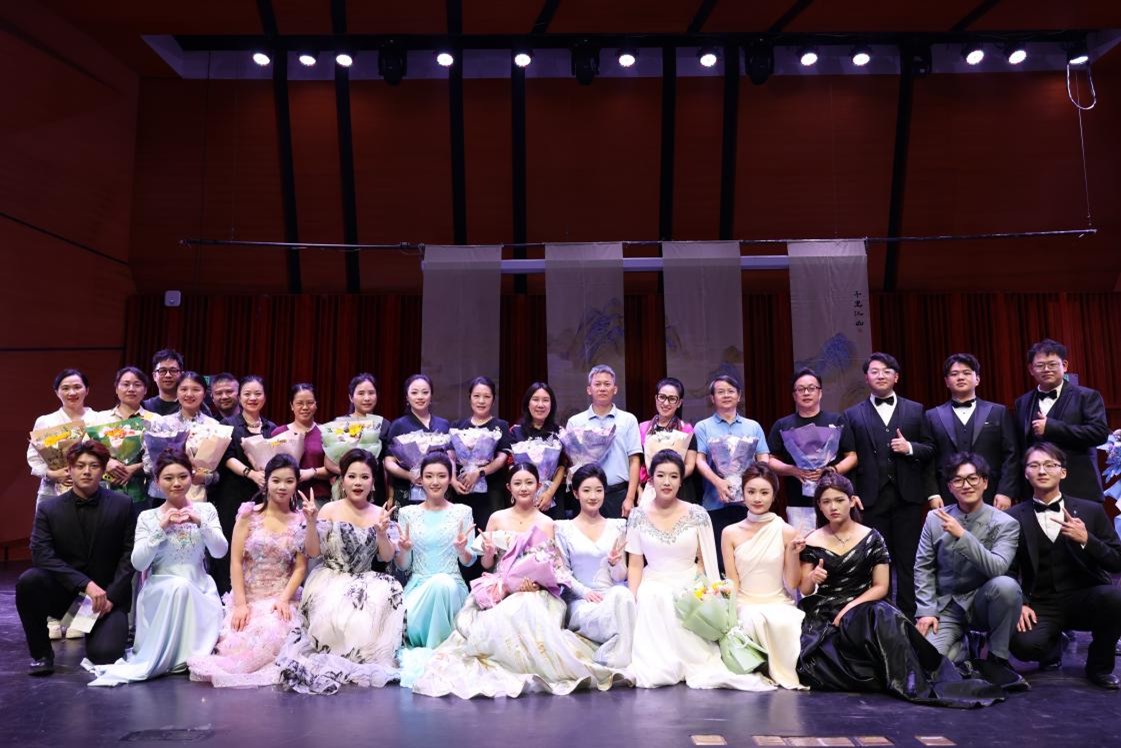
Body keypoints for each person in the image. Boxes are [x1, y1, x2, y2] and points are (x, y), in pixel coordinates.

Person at [411, 463, 627, 698]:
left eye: (529, 483)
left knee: (529, 608)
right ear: (509, 488)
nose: (524, 488)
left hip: (537, 591)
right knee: (506, 613)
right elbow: (487, 564)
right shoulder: (497, 518)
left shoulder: (548, 523)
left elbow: (555, 567)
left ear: (538, 485)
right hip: (502, 588)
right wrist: (490, 553)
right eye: (518, 483)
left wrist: (537, 584)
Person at [796, 473, 1004, 707]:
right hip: (827, 612)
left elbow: (881, 586)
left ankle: (912, 680)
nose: (833, 507)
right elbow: (805, 589)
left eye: (839, 500)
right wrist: (812, 577)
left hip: (863, 605)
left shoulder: (872, 537)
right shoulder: (812, 539)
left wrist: (850, 607)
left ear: (852, 501)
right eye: (826, 502)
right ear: (819, 506)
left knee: (884, 614)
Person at [627, 450, 774, 691]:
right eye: (661, 475)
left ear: (681, 480)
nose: (667, 482)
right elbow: (635, 564)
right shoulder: (637, 516)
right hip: (653, 580)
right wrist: (632, 598)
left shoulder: (697, 513)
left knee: (682, 597)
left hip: (690, 580)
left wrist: (709, 593)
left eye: (673, 476)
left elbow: (706, 561)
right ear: (651, 480)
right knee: (654, 596)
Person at [87, 450, 228, 686]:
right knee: (179, 587)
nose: (176, 483)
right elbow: (139, 563)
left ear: (192, 477)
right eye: (168, 478)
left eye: (182, 476)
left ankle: (189, 656)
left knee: (184, 587)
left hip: (201, 587)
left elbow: (220, 551)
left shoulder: (206, 510)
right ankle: (174, 657)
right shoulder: (148, 517)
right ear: (156, 481)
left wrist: (199, 522)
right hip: (161, 588)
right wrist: (160, 528)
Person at [276, 448, 404, 694]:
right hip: (331, 578)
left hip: (366, 581)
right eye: (352, 476)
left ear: (373, 482)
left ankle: (362, 658)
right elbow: (313, 551)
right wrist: (311, 522)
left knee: (381, 601)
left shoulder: (379, 513)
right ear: (342, 480)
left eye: (364, 477)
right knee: (334, 619)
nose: (358, 483)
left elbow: (387, 557)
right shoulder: (329, 510)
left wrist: (381, 534)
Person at [1007, 442, 1121, 689]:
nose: (1042, 471)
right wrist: (1020, 603)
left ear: (1063, 472)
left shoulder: (1091, 511)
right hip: (1041, 601)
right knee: (1023, 646)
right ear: (1026, 473)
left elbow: (1116, 561)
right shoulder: (1013, 516)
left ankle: (1099, 668)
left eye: (1050, 465)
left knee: (1115, 599)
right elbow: (1008, 568)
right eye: (1034, 465)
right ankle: (1052, 643)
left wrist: (1087, 539)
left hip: (1085, 596)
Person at [188, 455, 307, 688]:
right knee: (242, 638)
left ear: (296, 483)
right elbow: (235, 562)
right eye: (276, 480)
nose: (282, 487)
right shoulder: (248, 514)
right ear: (266, 482)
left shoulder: (301, 520)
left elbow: (300, 567)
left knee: (273, 630)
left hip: (281, 598)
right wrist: (241, 604)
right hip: (249, 596)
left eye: (289, 481)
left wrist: (283, 600)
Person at [17, 442, 134, 676]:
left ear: (103, 470)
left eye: (94, 466)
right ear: (69, 469)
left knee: (105, 656)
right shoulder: (49, 508)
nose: (86, 471)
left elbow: (129, 555)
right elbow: (41, 554)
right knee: (29, 581)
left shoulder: (123, 504)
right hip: (67, 596)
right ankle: (41, 655)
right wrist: (85, 584)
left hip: (106, 600)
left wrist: (111, 596)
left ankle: (96, 632)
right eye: (80, 466)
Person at [914, 453, 1027, 691]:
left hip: (983, 602)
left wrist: (962, 535)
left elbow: (997, 567)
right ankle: (965, 646)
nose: (966, 485)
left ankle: (997, 657)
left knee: (1007, 586)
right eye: (958, 480)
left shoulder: (1005, 523)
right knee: (929, 664)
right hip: (948, 606)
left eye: (973, 478)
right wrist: (926, 611)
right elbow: (923, 566)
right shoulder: (934, 519)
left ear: (985, 482)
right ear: (949, 487)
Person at [842, 353, 934, 620]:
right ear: (866, 378)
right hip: (870, 498)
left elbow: (930, 449)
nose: (880, 375)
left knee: (908, 559)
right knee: (876, 560)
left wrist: (910, 447)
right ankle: (880, 617)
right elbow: (850, 457)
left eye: (886, 371)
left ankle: (910, 615)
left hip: (908, 496)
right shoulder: (852, 414)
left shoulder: (915, 409)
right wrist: (852, 494)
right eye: (874, 371)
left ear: (896, 377)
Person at [720, 464, 806, 690]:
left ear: (774, 495)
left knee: (786, 621)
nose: (757, 498)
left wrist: (793, 554)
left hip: (778, 601)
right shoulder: (730, 533)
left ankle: (783, 671)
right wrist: (728, 611)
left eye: (764, 492)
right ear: (743, 493)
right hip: (745, 602)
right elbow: (732, 580)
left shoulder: (786, 530)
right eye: (751, 492)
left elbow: (793, 582)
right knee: (754, 619)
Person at [395, 453, 475, 683]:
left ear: (450, 478)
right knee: (436, 585)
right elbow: (403, 565)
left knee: (442, 584)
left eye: (441, 476)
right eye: (429, 476)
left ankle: (438, 655)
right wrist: (404, 550)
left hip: (453, 588)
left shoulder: (462, 512)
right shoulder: (407, 513)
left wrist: (462, 550)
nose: (435, 481)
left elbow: (469, 561)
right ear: (420, 479)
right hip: (417, 588)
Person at [555, 464, 634, 668]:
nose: (593, 496)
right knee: (616, 612)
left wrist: (614, 563)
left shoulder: (618, 526)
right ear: (575, 493)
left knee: (623, 595)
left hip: (611, 595)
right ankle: (618, 657)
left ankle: (618, 656)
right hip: (581, 601)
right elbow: (562, 572)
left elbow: (620, 576)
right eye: (587, 490)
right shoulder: (563, 528)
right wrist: (585, 592)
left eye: (598, 490)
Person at [693, 374, 771, 572]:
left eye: (730, 391)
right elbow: (699, 460)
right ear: (712, 398)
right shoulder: (703, 427)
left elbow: (763, 458)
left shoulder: (753, 426)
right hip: (714, 502)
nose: (726, 395)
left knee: (748, 558)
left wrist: (752, 484)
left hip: (749, 503)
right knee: (719, 560)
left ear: (739, 396)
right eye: (720, 392)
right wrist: (718, 482)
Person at [1014, 339, 1109, 502]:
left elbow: (1099, 433)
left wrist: (1051, 427)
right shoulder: (1022, 402)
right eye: (1040, 365)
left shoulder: (1087, 396)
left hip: (1080, 488)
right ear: (1031, 369)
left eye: (1052, 364)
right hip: (1034, 492)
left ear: (1064, 365)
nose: (1046, 369)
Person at [209, 375, 277, 595]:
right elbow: (226, 457)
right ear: (240, 397)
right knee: (232, 548)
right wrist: (251, 474)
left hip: (264, 497)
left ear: (264, 397)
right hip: (232, 495)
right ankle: (229, 598)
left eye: (257, 393)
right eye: (247, 394)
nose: (252, 398)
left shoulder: (272, 428)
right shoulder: (227, 425)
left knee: (260, 548)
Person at [767, 368, 857, 534]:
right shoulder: (782, 425)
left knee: (835, 542)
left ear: (820, 393)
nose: (806, 393)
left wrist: (832, 470)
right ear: (794, 395)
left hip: (833, 498)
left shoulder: (836, 420)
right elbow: (770, 459)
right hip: (797, 502)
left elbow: (852, 456)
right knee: (802, 545)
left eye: (811, 388)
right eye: (801, 389)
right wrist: (792, 470)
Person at [923, 354, 1019, 510]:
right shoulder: (931, 416)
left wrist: (1005, 491)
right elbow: (929, 459)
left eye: (966, 373)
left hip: (992, 493)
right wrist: (933, 494)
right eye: (954, 374)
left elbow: (1011, 455)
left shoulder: (998, 412)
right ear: (946, 381)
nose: (960, 377)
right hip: (948, 494)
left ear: (977, 379)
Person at [565, 364, 642, 519]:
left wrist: (630, 497)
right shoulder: (575, 422)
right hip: (586, 495)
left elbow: (634, 460)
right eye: (597, 384)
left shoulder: (628, 420)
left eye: (607, 384)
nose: (602, 388)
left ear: (615, 389)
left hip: (618, 494)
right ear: (589, 389)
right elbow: (572, 463)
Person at [143, 371, 221, 504]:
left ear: (204, 393)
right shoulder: (161, 423)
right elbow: (148, 464)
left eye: (196, 389)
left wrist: (204, 477)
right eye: (184, 389)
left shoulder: (214, 426)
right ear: (177, 392)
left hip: (198, 497)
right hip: (162, 497)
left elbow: (217, 473)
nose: (189, 394)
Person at [450, 376, 512, 534]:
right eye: (476, 396)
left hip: (492, 492)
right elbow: (450, 457)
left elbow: (501, 459)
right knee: (463, 535)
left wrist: (479, 472)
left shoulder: (501, 426)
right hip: (462, 489)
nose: (481, 401)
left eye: (487, 396)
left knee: (490, 536)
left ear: (493, 400)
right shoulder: (458, 425)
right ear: (470, 398)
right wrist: (453, 480)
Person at [27, 368, 98, 505]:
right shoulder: (45, 421)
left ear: (87, 390)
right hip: (52, 491)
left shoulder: (99, 419)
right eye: (65, 388)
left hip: (91, 491)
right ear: (57, 392)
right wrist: (51, 474)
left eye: (77, 387)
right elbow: (33, 457)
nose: (72, 392)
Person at [92, 366, 157, 509]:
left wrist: (135, 468)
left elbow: (162, 456)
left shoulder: (155, 420)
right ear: (116, 389)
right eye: (125, 384)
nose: (131, 389)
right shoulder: (99, 419)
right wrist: (107, 461)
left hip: (142, 494)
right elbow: (87, 450)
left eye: (137, 384)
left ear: (145, 390)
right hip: (103, 491)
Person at [384, 374, 451, 508]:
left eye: (425, 392)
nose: (420, 397)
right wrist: (409, 475)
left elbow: (450, 458)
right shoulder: (399, 425)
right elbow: (388, 462)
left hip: (438, 489)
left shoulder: (443, 424)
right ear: (407, 397)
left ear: (431, 395)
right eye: (414, 393)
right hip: (406, 490)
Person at [326, 373, 392, 502]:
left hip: (376, 491)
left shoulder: (384, 425)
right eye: (361, 393)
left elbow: (386, 467)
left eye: (371, 393)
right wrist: (352, 475)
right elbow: (329, 463)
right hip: (347, 489)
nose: (367, 398)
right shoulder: (340, 424)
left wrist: (390, 495)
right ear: (351, 397)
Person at [508, 381, 567, 517]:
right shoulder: (515, 431)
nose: (540, 405)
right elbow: (511, 466)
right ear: (527, 403)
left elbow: (562, 466)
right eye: (535, 399)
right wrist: (525, 491)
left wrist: (549, 493)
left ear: (551, 405)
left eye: (545, 400)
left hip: (551, 499)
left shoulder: (560, 433)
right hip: (523, 496)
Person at [270, 384, 331, 508]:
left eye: (310, 403)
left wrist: (312, 472)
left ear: (316, 405)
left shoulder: (326, 432)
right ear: (291, 406)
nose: (305, 407)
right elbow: (271, 466)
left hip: (318, 499)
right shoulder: (278, 433)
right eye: (299, 403)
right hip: (284, 499)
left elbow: (333, 469)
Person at [638, 377, 696, 504]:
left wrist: (670, 478)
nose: (665, 403)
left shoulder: (686, 429)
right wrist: (639, 491)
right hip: (649, 490)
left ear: (679, 403)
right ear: (656, 398)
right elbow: (636, 464)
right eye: (662, 397)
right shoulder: (643, 428)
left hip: (679, 490)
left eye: (672, 399)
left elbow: (690, 465)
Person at [142, 349, 186, 416]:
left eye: (173, 370)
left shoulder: (190, 406)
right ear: (154, 376)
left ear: (181, 375)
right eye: (162, 371)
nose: (168, 375)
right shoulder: (145, 407)